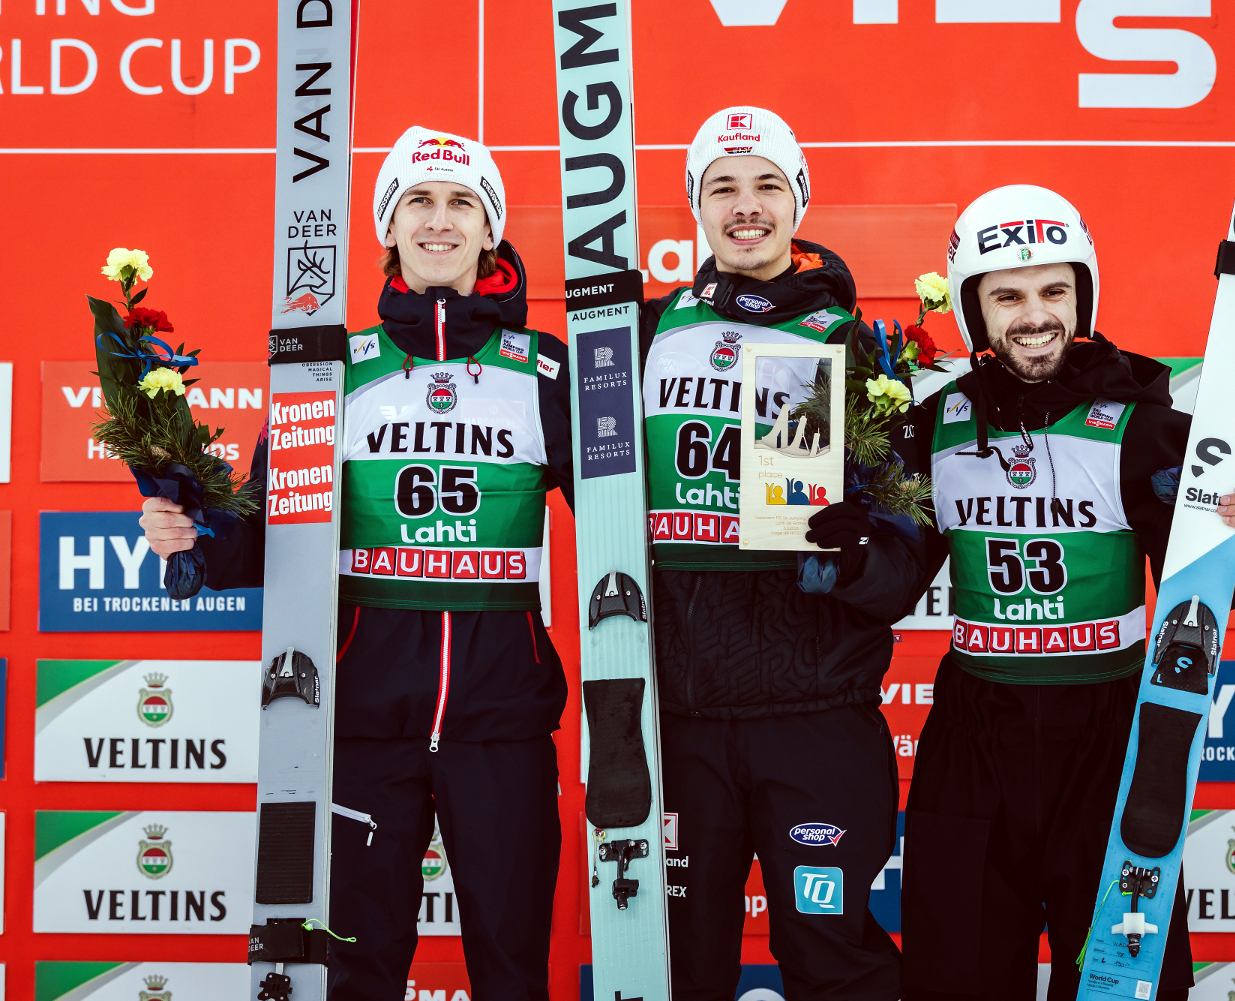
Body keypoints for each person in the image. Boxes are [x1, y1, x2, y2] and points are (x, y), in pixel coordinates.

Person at [139, 126, 571, 1001]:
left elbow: (619, 527)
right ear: (389, 227)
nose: (440, 221)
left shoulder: (548, 372)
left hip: (504, 724)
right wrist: (194, 536)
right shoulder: (332, 371)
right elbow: (264, 532)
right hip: (363, 724)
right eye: (419, 200)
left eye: (462, 203)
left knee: (513, 966)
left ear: (491, 231)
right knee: (356, 968)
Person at [896, 184, 1235, 1001]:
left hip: (1105, 735)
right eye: (1008, 295)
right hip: (976, 734)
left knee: (1119, 980)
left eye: (1054, 291)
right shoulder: (937, 425)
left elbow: (1209, 583)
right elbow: (892, 571)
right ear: (974, 310)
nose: (1034, 315)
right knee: (953, 974)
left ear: (1084, 295)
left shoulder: (1145, 426)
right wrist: (849, 551)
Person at [641, 106, 919, 1001]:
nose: (746, 205)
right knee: (680, 967)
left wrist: (856, 557)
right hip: (678, 719)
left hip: (816, 716)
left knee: (836, 963)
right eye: (722, 186)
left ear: (797, 199)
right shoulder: (640, 335)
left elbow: (911, 559)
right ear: (696, 206)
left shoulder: (850, 345)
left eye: (768, 184)